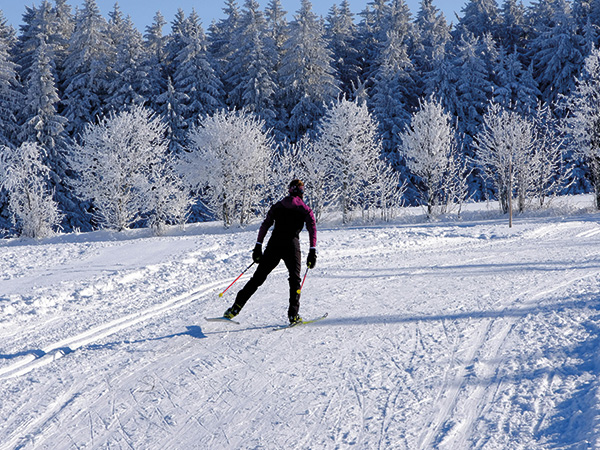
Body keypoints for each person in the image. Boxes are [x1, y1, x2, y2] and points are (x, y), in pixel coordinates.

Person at [224, 179, 317, 324]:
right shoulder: (305, 209)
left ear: (289, 191)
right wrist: (312, 250)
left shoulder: (278, 206)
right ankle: (293, 315)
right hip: (292, 245)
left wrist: (258, 245)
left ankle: (236, 307)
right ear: (301, 192)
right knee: (295, 280)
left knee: (257, 278)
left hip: (274, 244)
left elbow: (265, 225)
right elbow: (312, 229)